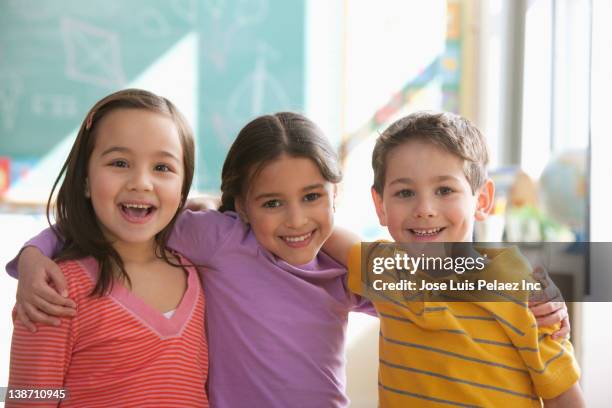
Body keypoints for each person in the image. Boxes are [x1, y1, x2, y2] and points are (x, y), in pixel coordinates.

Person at [6, 111, 569, 407]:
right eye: (272, 202)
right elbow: (133, 214)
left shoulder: (342, 265)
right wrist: (35, 252)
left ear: (336, 196)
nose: (296, 221)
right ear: (242, 206)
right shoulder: (218, 242)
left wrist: (538, 286)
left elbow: (444, 274)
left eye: (312, 199)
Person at [345, 111, 584, 407]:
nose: (425, 209)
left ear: (482, 201)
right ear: (380, 205)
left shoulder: (528, 295)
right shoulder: (385, 267)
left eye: (445, 190)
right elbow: (320, 231)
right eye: (405, 192)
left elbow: (566, 400)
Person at [6, 89, 208, 407]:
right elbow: (26, 397)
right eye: (119, 162)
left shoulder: (199, 274)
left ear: (183, 188)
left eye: (162, 168)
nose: (141, 182)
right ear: (85, 179)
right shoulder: (54, 291)